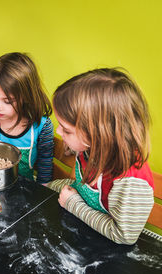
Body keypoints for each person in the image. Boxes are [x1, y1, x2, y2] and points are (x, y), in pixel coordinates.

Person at [48, 68, 154, 245]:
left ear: (99, 135)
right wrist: (71, 146)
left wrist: (73, 204)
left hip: (104, 243)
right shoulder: (92, 146)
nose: (58, 131)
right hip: (77, 208)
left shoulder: (131, 183)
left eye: (66, 129)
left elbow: (124, 236)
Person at [0, 52, 54, 184]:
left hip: (25, 189)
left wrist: (42, 188)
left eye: (8, 101)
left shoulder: (42, 126)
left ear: (27, 96)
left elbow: (45, 160)